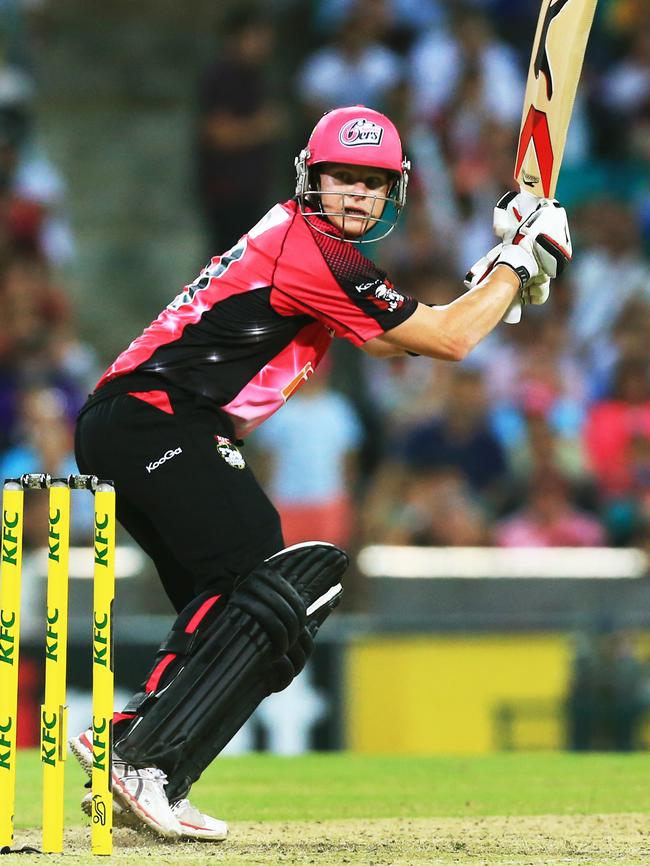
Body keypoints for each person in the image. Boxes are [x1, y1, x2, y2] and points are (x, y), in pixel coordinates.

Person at [68, 105, 571, 841]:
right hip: (155, 418)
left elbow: (404, 340)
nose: (357, 196)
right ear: (313, 178)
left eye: (372, 183)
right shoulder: (316, 250)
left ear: (393, 190)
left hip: (138, 424)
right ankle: (142, 754)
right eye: (343, 179)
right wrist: (517, 264)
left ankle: (139, 750)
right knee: (262, 570)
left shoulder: (316, 251)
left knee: (245, 614)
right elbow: (447, 339)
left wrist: (499, 271)